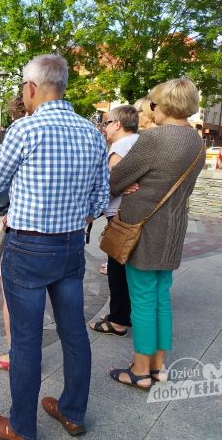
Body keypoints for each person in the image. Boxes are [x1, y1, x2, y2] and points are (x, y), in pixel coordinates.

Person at [0, 54, 109, 440]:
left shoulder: (25, 130)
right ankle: (72, 412)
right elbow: (100, 200)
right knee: (74, 334)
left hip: (28, 247)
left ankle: (22, 427)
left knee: (25, 340)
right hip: (71, 246)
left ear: (33, 88)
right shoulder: (92, 132)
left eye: (24, 86)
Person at [108, 78, 205, 390]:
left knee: (143, 299)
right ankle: (159, 367)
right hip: (174, 228)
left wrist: (129, 183)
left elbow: (116, 179)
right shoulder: (197, 142)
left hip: (144, 229)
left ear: (165, 105)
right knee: (161, 296)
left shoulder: (155, 139)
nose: (151, 108)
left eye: (153, 103)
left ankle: (140, 370)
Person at [89, 105, 139, 337]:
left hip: (118, 217)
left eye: (107, 123)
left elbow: (111, 185)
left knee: (117, 270)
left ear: (118, 124)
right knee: (129, 269)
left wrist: (90, 211)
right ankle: (126, 314)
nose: (105, 127)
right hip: (134, 214)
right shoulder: (141, 141)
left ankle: (118, 320)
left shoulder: (120, 146)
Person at [0, 95, 27, 372]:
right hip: (65, 236)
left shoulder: (20, 131)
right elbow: (97, 197)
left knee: (12, 297)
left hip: (20, 228)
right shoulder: (84, 130)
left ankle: (17, 355)